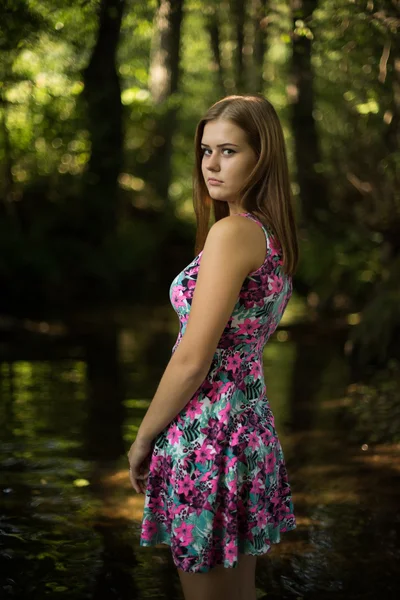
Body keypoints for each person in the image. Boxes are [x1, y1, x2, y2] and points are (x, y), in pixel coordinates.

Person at [127, 93, 299, 600]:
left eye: (229, 151)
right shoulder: (271, 233)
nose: (211, 165)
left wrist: (142, 440)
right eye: (206, 151)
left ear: (261, 156)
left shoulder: (232, 233)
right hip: (246, 432)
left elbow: (191, 359)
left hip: (209, 437)